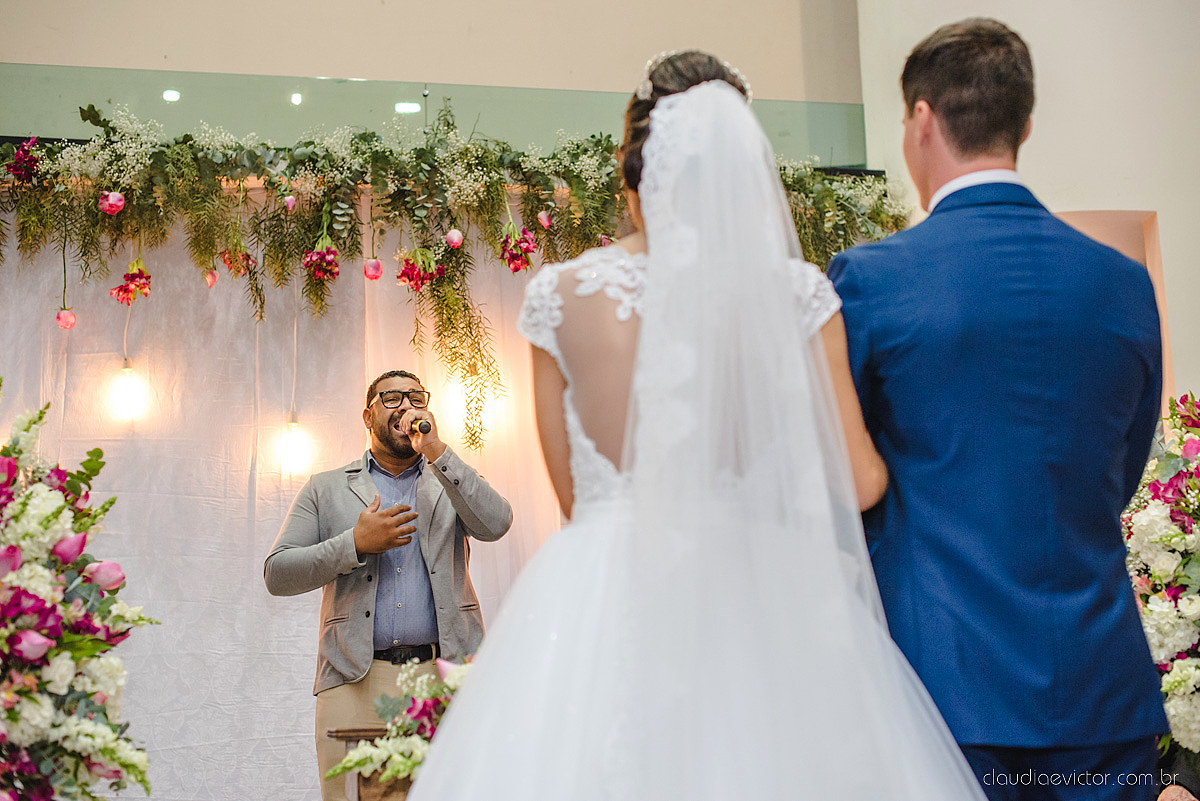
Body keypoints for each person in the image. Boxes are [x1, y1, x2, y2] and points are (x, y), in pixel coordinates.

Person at [408, 51, 986, 800]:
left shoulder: (561, 296)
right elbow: (858, 479)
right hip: (761, 601)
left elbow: (578, 502)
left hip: (605, 595)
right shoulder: (797, 296)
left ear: (632, 167)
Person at [825, 18, 1167, 801]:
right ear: (1026, 123)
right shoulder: (1120, 281)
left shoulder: (872, 280)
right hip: (1100, 689)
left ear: (920, 120)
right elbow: (1121, 468)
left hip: (945, 689)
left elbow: (849, 475)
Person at [263, 369, 512, 801]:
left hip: (442, 676)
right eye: (392, 398)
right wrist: (354, 543)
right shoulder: (325, 488)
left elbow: (497, 523)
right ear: (367, 415)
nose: (406, 406)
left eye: (416, 398)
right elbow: (278, 573)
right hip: (353, 678)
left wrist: (436, 450)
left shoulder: (449, 478)